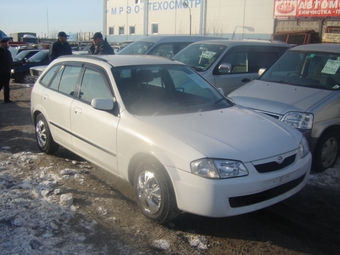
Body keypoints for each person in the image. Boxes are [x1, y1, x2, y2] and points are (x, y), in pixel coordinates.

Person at [0, 37, 13, 103]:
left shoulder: (8, 52)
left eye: (7, 43)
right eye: (5, 43)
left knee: (7, 86)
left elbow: (10, 60)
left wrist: (11, 66)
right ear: (1, 44)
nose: (6, 44)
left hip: (7, 71)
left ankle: (7, 99)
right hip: (1, 72)